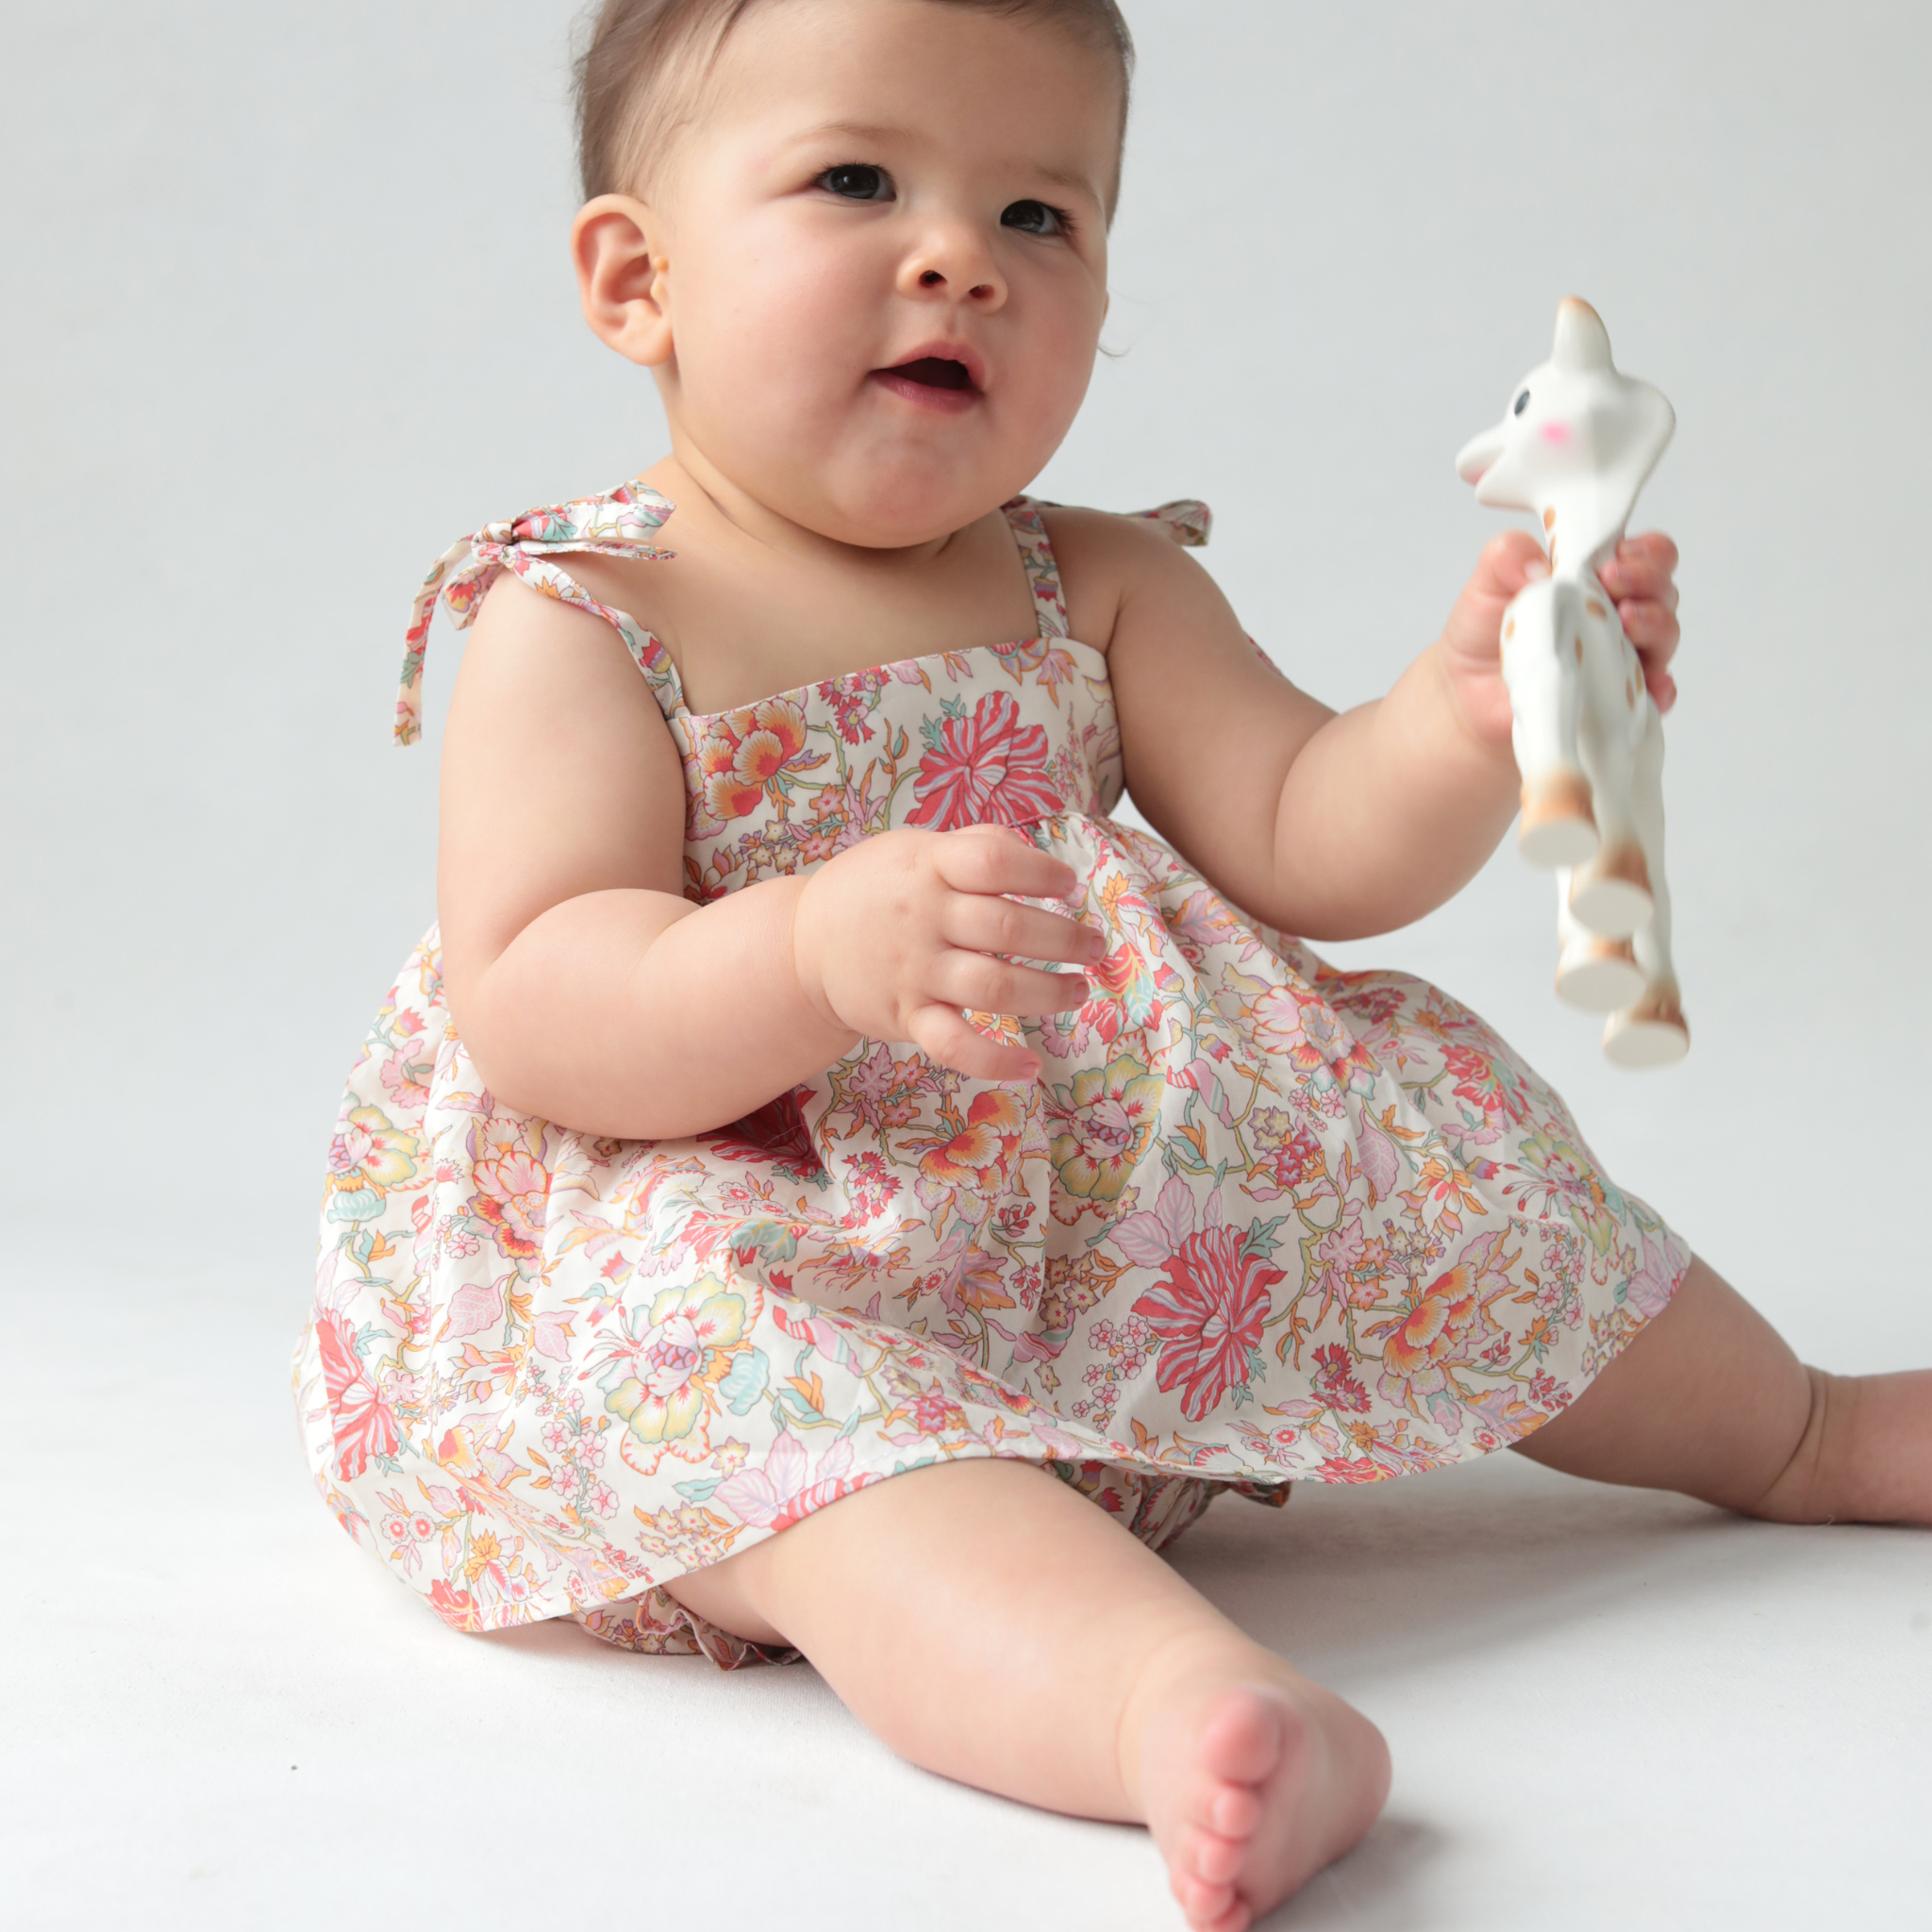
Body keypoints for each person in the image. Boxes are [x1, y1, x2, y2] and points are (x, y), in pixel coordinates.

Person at [293, 4, 1931, 1925]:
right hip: (762, 1219)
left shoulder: (1097, 579)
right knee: (789, 1412)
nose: (959, 255)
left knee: (1435, 1144)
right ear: (635, 276)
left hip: (1125, 1244)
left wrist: (1468, 711)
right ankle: (1166, 1700)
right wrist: (808, 948)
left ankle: (1799, 1425)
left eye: (1040, 214)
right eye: (855, 181)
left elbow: (1309, 834)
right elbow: (547, 995)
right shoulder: (583, 624)